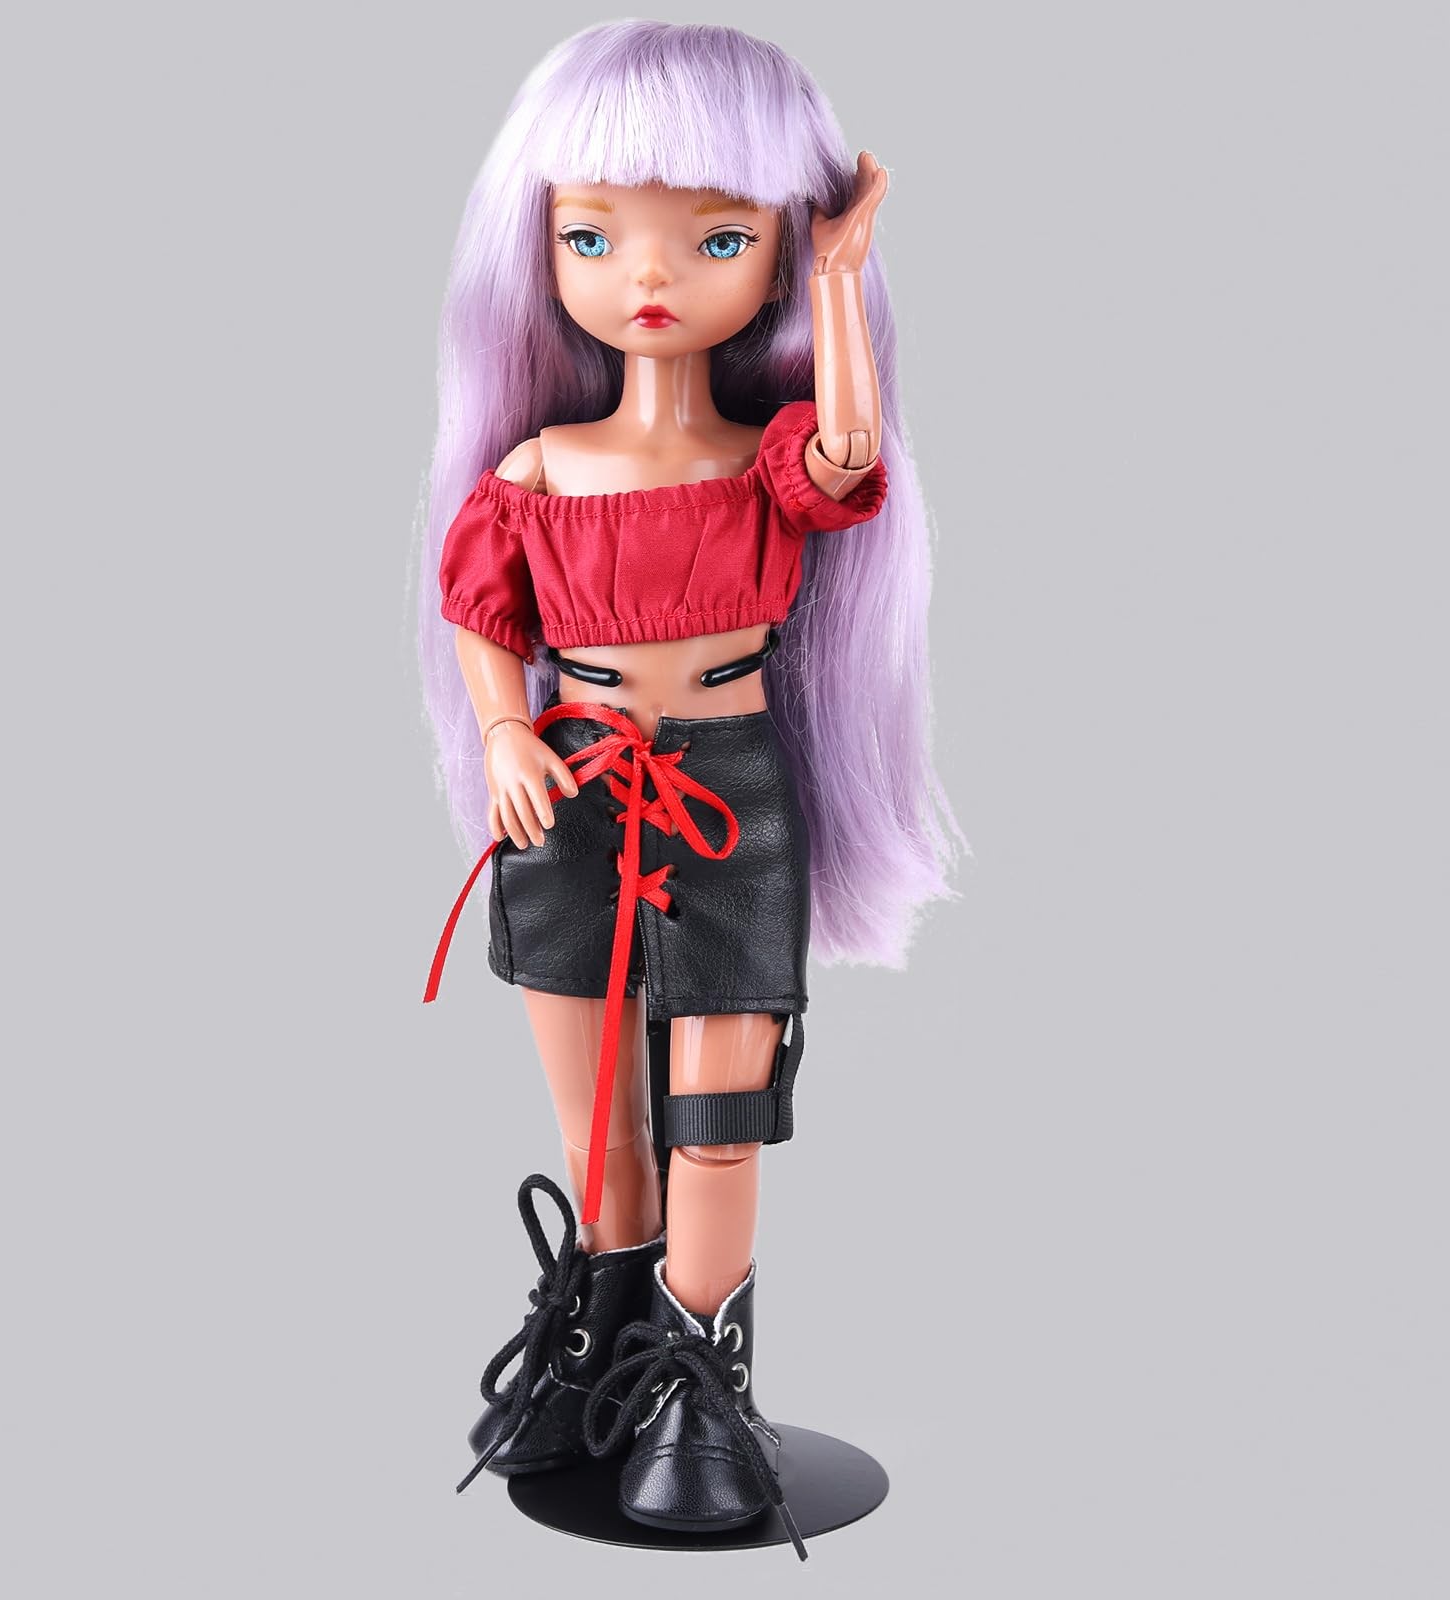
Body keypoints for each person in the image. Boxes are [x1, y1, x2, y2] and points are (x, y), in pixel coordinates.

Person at [418, 20, 959, 1549]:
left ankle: (697, 1381)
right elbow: (482, 614)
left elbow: (850, 452)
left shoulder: (772, 462)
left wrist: (843, 277)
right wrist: (507, 735)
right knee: (604, 1119)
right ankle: (602, 1340)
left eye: (717, 237)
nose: (647, 276)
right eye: (593, 235)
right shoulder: (536, 466)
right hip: (573, 788)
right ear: (541, 252)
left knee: (720, 1114)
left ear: (771, 255)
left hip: (727, 794)